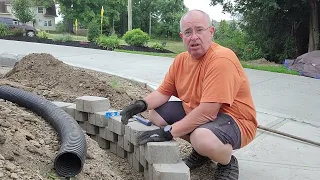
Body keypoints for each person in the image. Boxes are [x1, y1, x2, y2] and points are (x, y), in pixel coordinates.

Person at [120, 9, 257, 180]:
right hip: (201, 113)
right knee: (155, 114)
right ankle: (202, 153)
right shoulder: (181, 60)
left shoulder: (221, 60)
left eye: (199, 30)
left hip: (235, 120)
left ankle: (227, 162)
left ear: (211, 32)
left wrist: (169, 132)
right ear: (182, 36)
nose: (194, 37)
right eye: (188, 32)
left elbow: (208, 111)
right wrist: (140, 104)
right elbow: (163, 92)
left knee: (202, 138)